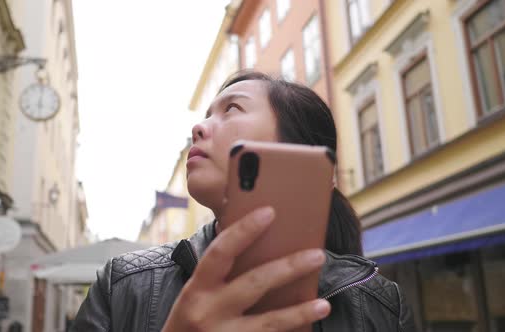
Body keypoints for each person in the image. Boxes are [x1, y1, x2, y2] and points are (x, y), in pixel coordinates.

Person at [71, 71, 415, 331]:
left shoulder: (381, 305)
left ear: (305, 157)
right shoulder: (123, 285)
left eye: (231, 109)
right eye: (206, 114)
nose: (199, 127)